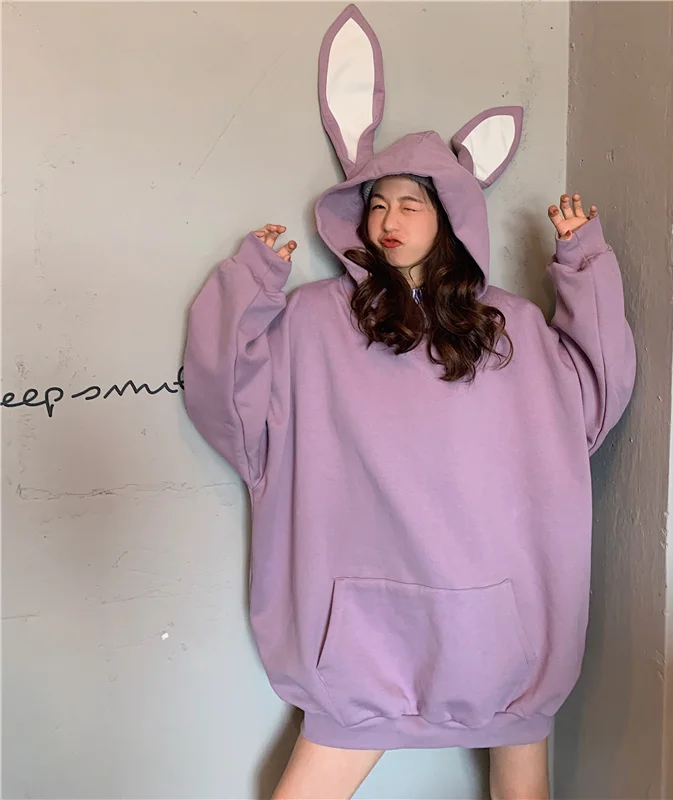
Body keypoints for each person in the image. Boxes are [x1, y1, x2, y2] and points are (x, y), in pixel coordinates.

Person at [183, 5, 635, 799]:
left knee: (522, 784)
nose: (388, 221)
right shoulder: (316, 321)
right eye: (376, 204)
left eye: (410, 204)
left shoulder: (507, 328)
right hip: (358, 640)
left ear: (450, 218)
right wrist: (250, 284)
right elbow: (229, 400)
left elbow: (590, 399)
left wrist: (583, 265)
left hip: (500, 634)